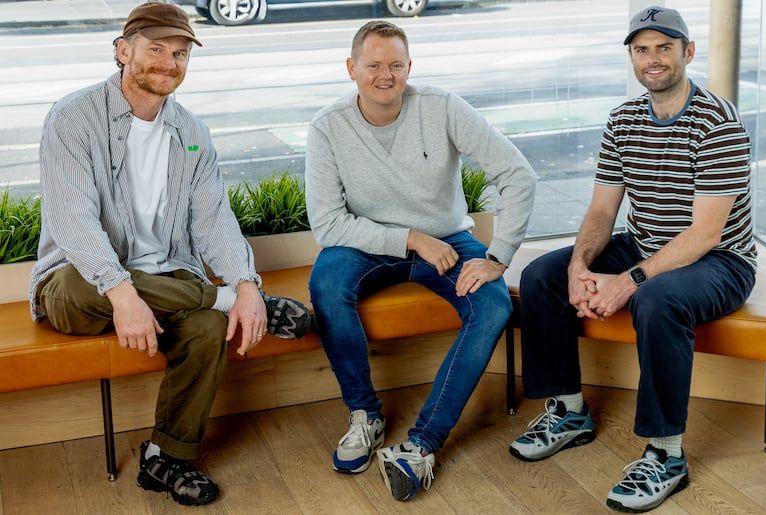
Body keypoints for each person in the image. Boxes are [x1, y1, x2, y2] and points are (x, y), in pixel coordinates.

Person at [29, 2, 310, 506]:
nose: (169, 62)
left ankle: (165, 458)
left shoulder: (191, 133)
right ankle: (219, 300)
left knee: (206, 328)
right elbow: (74, 221)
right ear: (123, 51)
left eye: (180, 53)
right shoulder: (73, 118)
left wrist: (246, 285)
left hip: (167, 281)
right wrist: (122, 293)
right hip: (83, 287)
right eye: (156, 49)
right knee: (77, 282)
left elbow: (214, 219)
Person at [509, 6, 756, 513]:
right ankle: (569, 411)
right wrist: (579, 267)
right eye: (642, 49)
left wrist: (627, 281)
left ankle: (666, 454)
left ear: (688, 52)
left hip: (721, 260)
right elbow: (603, 210)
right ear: (632, 58)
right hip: (644, 244)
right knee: (541, 276)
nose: (653, 59)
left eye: (664, 47)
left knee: (657, 299)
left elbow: (705, 233)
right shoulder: (623, 120)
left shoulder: (718, 122)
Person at [305, 20, 536, 502]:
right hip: (368, 245)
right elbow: (327, 225)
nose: (385, 75)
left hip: (448, 240)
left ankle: (422, 445)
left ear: (410, 66)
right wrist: (411, 238)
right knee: (326, 282)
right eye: (373, 65)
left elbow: (518, 174)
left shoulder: (443, 107)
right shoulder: (327, 127)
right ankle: (364, 415)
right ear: (351, 68)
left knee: (493, 304)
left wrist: (498, 256)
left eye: (396, 64)